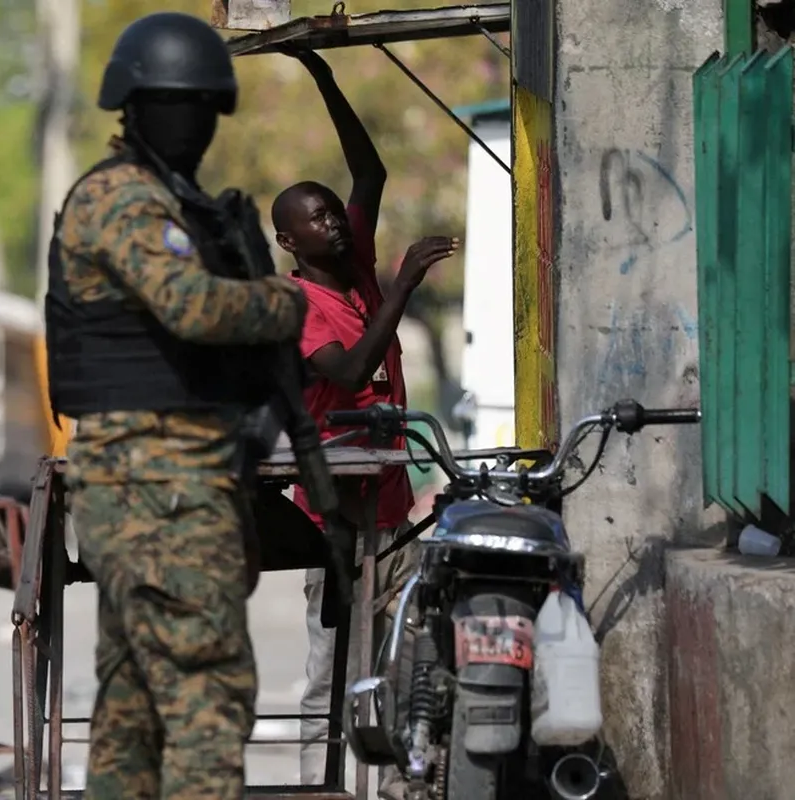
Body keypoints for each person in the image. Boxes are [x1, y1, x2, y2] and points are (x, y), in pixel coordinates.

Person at [44, 13, 312, 798]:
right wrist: (282, 304)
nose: (191, 122)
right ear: (133, 106)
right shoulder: (123, 198)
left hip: (168, 475)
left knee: (133, 713)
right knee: (207, 697)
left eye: (203, 106)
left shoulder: (175, 200)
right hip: (155, 479)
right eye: (176, 104)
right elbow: (190, 307)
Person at [268, 47, 457, 794]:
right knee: (336, 666)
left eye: (331, 212)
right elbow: (347, 371)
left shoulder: (356, 276)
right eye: (316, 220)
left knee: (396, 664)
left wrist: (323, 78)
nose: (333, 225)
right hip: (335, 519)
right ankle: (322, 785)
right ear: (290, 242)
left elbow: (370, 175)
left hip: (388, 508)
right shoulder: (299, 306)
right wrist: (405, 286)